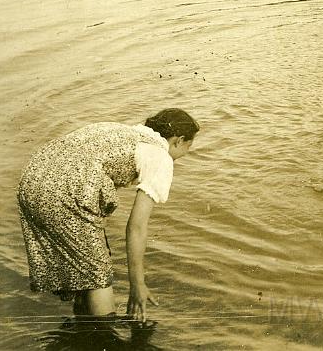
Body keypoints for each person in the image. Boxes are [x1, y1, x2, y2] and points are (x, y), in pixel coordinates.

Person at [17, 108, 199, 322]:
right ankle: (103, 336)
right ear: (178, 140)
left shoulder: (121, 131)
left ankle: (85, 327)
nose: (182, 156)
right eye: (188, 148)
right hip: (64, 194)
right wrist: (137, 284)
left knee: (86, 260)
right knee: (98, 273)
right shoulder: (160, 156)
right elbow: (136, 227)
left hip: (32, 180)